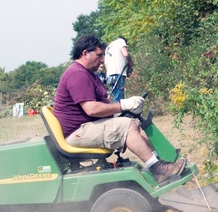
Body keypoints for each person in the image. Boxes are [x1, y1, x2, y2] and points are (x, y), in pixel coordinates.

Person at [53, 35, 185, 182]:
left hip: (85, 127)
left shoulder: (87, 73)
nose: (102, 60)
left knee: (133, 122)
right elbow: (92, 109)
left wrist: (123, 110)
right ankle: (159, 170)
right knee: (126, 126)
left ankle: (162, 162)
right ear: (85, 53)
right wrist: (123, 104)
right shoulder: (77, 74)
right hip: (77, 132)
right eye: (99, 55)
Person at [104, 37, 131, 102]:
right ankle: (117, 109)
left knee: (116, 95)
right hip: (118, 73)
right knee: (119, 98)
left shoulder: (108, 47)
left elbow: (106, 65)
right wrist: (130, 61)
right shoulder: (121, 41)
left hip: (110, 74)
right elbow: (126, 54)